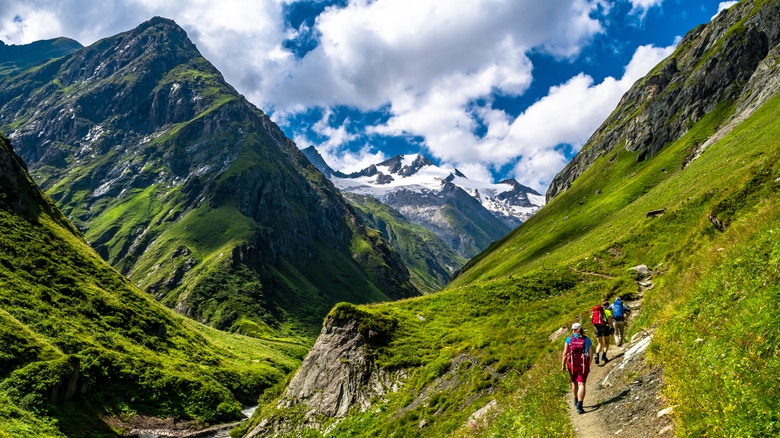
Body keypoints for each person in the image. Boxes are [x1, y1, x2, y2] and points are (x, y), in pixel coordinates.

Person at [562, 322, 593, 414]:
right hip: (583, 363)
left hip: (571, 363)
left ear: (573, 330)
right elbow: (591, 353)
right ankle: (580, 404)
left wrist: (563, 365)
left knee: (574, 382)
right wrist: (588, 363)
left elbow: (565, 353)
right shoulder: (587, 339)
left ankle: (575, 400)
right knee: (581, 384)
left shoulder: (569, 339)